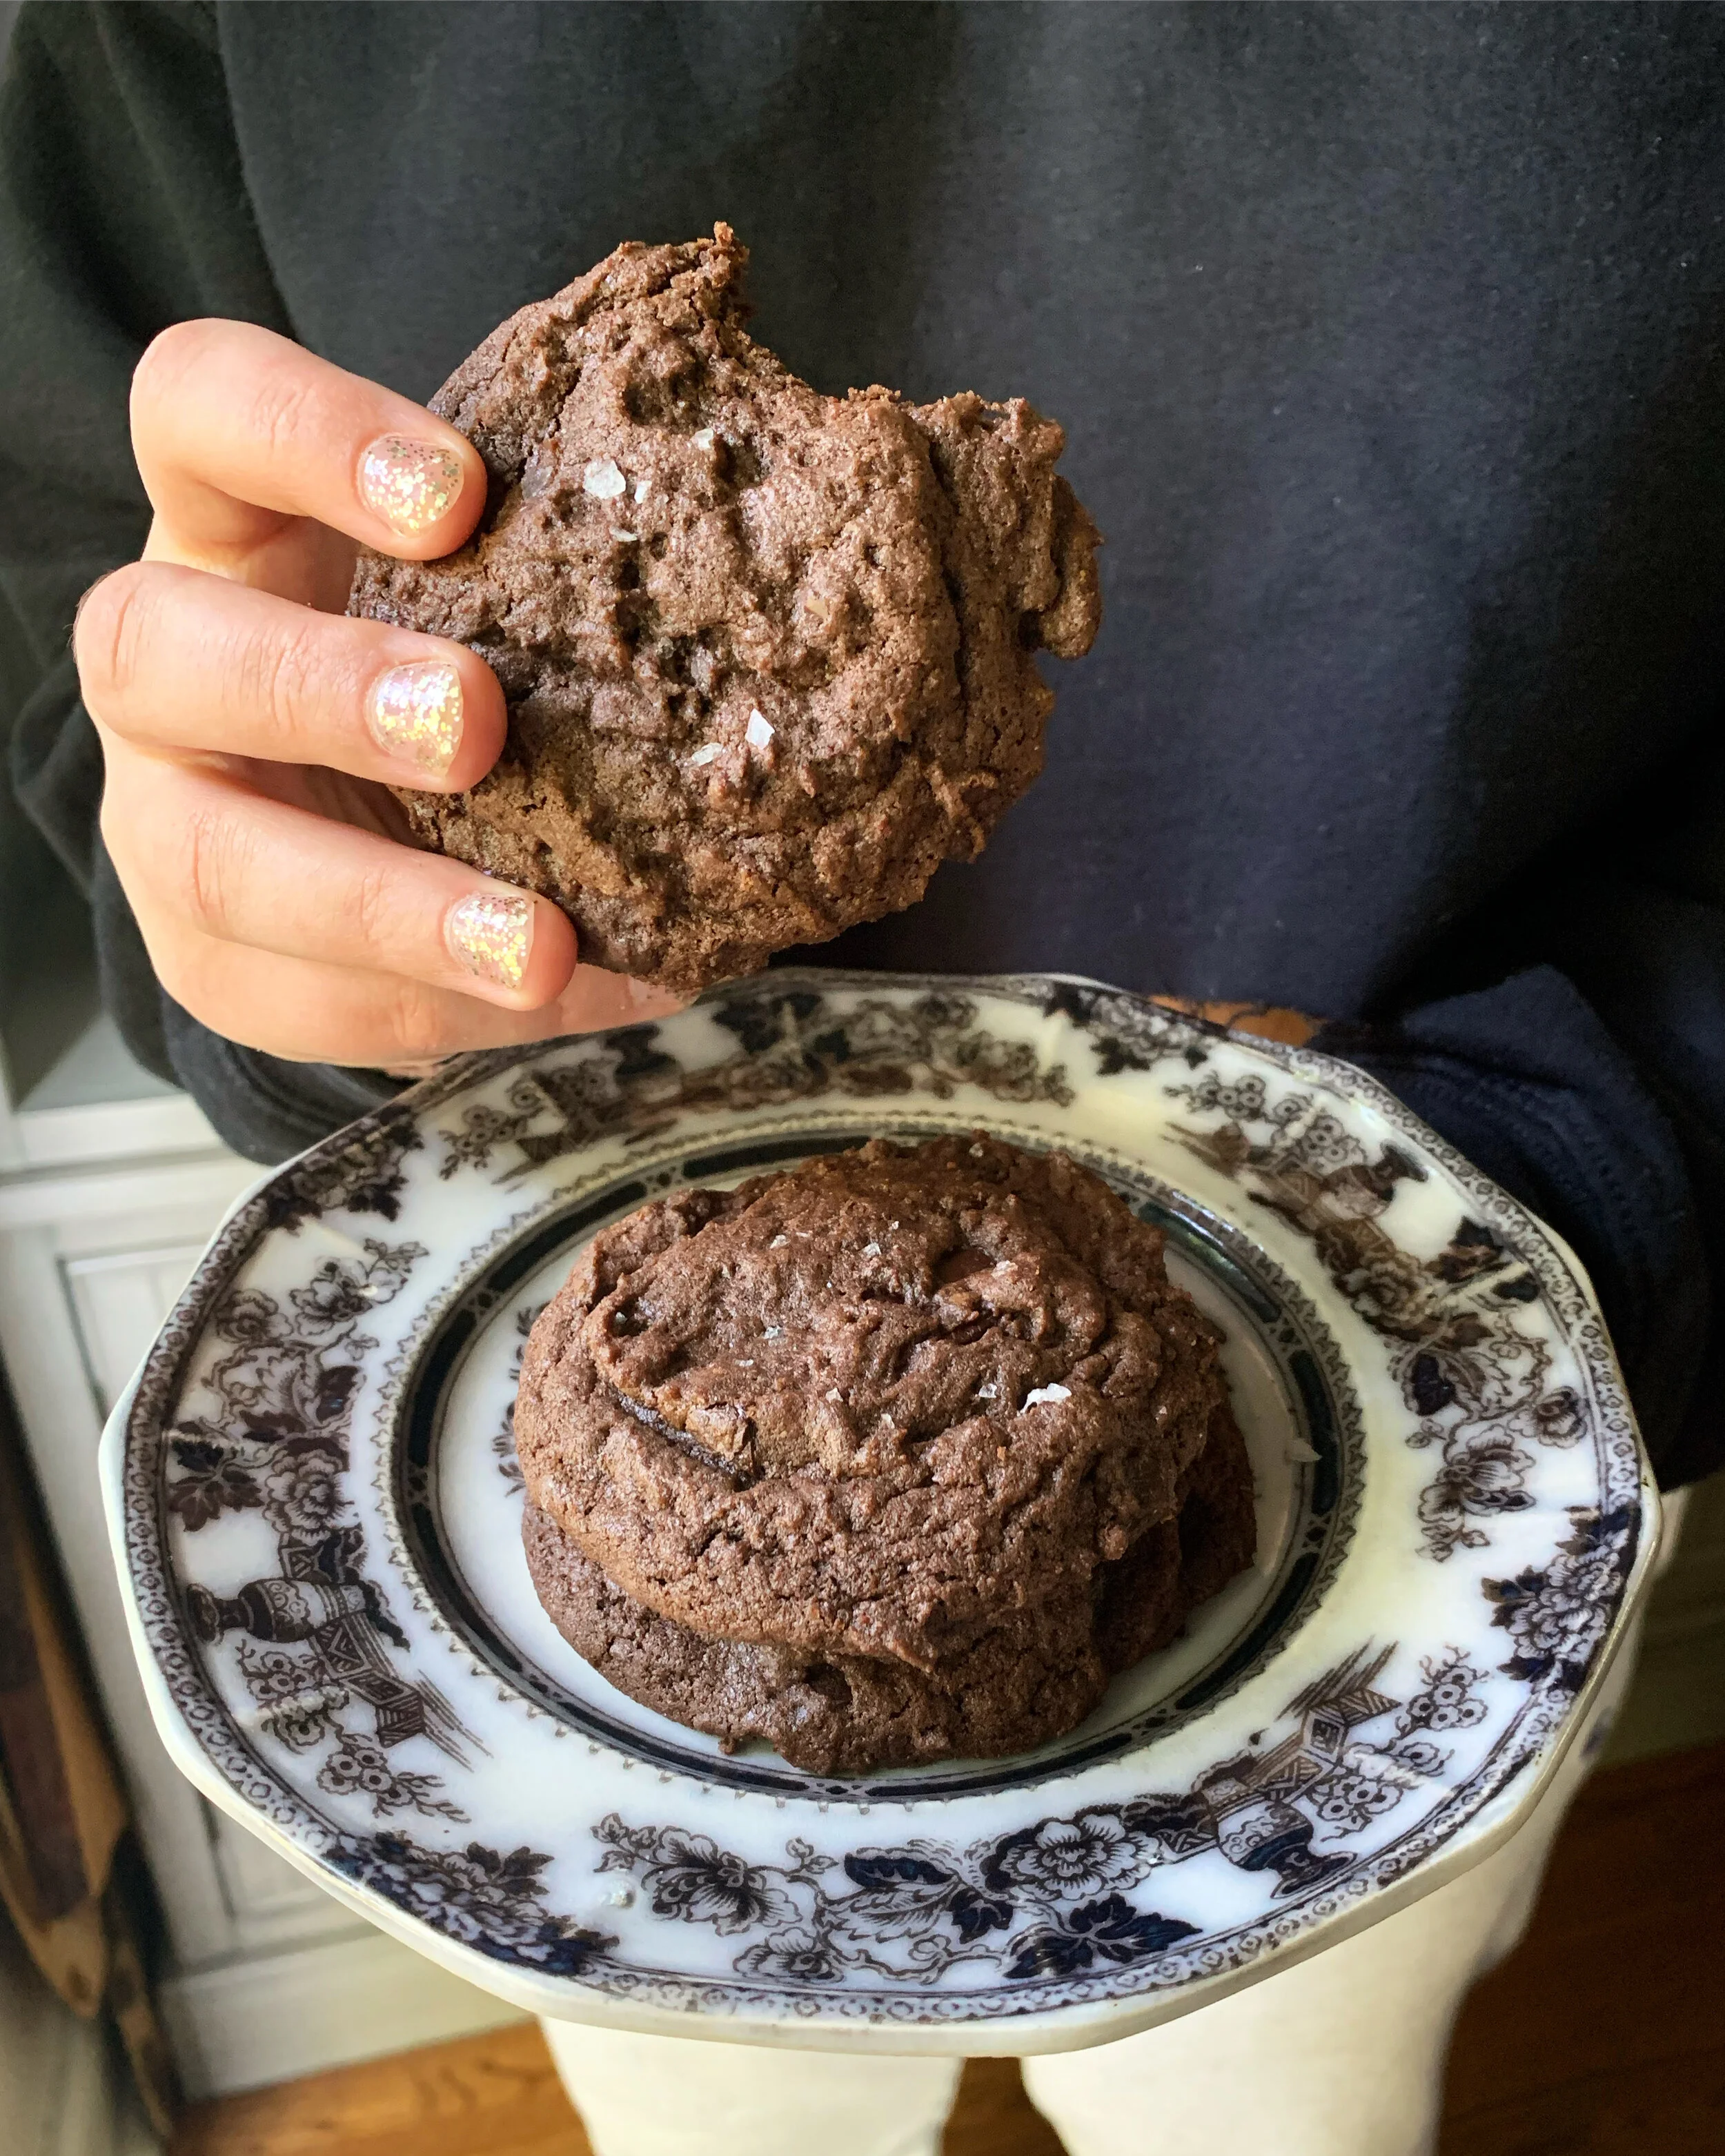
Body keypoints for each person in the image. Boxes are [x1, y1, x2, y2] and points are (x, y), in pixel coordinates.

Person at [1, 6, 1719, 2153]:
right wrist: (278, 895)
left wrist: (1573, 1172)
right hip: (581, 1507)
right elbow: (61, 591)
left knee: (1268, 2111)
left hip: (1434, 1453)